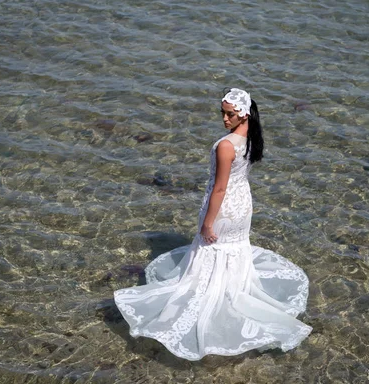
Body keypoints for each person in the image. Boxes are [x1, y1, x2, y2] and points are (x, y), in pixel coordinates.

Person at [114, 88, 312, 361]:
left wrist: (207, 223)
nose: (224, 119)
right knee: (233, 248)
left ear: (243, 114)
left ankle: (211, 295)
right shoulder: (251, 138)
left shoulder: (226, 145)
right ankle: (232, 288)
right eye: (223, 113)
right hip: (243, 204)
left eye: (230, 114)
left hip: (225, 206)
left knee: (211, 245)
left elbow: (219, 189)